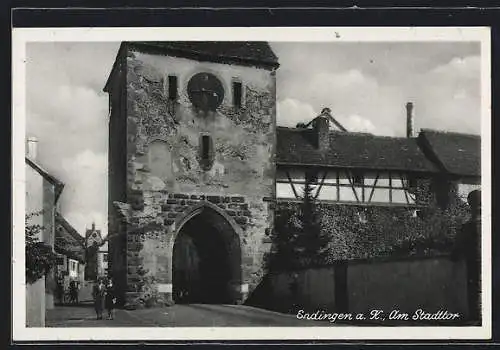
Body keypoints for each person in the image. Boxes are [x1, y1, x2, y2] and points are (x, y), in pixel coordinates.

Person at [451, 189, 481, 324]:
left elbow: (457, 248)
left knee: (475, 288)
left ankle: (477, 317)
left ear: (470, 204)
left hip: (474, 261)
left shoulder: (468, 226)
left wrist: (454, 255)